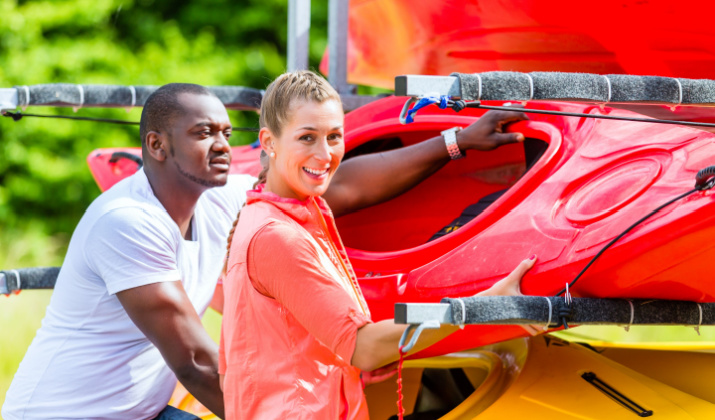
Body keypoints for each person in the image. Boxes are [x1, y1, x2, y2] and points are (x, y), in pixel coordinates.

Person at [3, 80, 527, 420]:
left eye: (227, 133)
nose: (222, 145)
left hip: (141, 411)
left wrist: (457, 141)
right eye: (203, 133)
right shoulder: (127, 222)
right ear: (156, 146)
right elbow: (195, 362)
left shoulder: (218, 199)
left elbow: (338, 184)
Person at [219, 70, 537, 419]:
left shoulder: (286, 207)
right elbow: (365, 346)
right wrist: (484, 307)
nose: (325, 154)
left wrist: (459, 140)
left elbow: (358, 181)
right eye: (307, 138)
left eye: (334, 136)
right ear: (268, 142)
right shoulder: (278, 236)